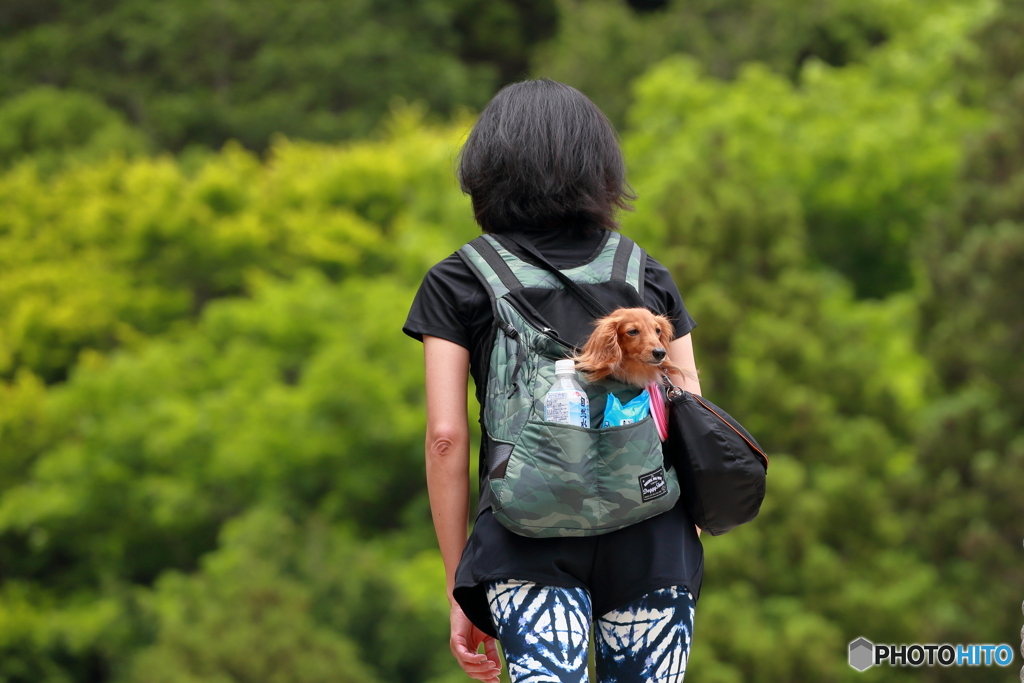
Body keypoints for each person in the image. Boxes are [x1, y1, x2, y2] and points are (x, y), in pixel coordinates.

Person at [403, 79, 704, 683]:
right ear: (599, 170)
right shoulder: (645, 272)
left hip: (524, 537)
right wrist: (688, 530)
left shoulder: (458, 278)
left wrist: (458, 583)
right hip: (652, 536)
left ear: (485, 173)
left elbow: (444, 438)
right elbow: (691, 406)